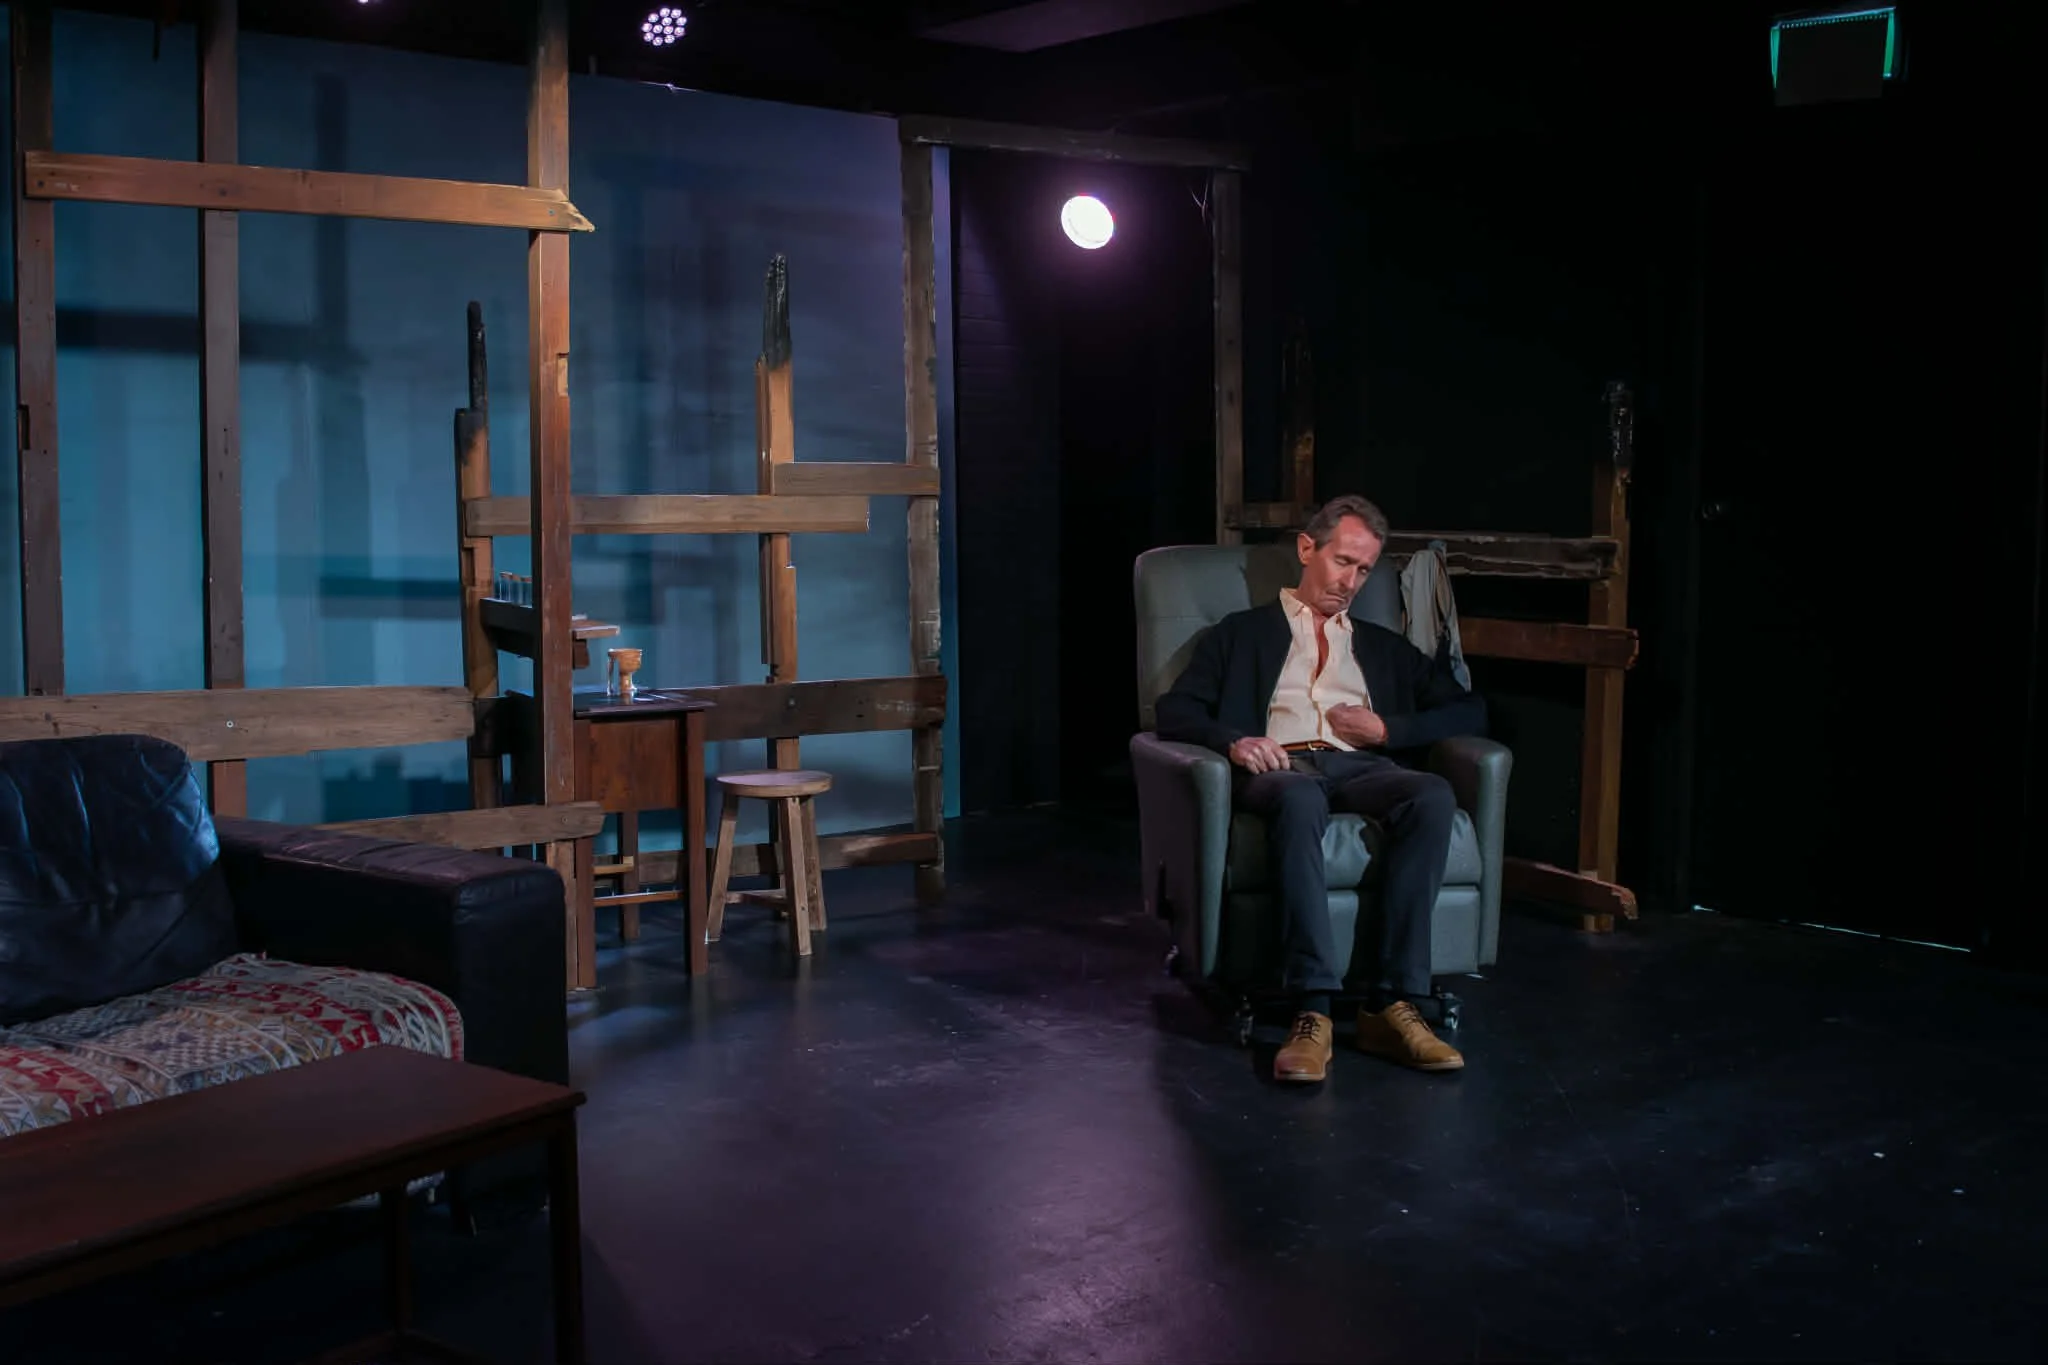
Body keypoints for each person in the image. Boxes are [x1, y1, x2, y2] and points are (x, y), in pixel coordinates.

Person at [1153, 494, 1486, 1084]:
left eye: (1364, 570)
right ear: (1308, 548)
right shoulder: (1242, 634)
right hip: (1283, 770)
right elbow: (1175, 709)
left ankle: (1394, 1002)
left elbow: (1469, 709)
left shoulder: (1382, 647)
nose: (1352, 580)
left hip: (1360, 767)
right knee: (1301, 797)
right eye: (1344, 562)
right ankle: (1314, 1009)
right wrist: (1236, 741)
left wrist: (1389, 728)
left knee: (1431, 794)